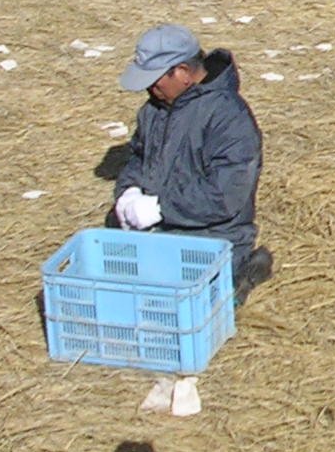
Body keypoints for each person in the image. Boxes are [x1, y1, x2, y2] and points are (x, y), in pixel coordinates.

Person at [110, 24, 272, 305]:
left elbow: (225, 195)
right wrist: (129, 191)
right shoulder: (154, 109)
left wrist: (160, 208)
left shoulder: (229, 118)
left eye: (155, 79)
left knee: (180, 303)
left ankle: (242, 271)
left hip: (213, 234)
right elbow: (138, 156)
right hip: (159, 229)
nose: (150, 88)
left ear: (183, 72)